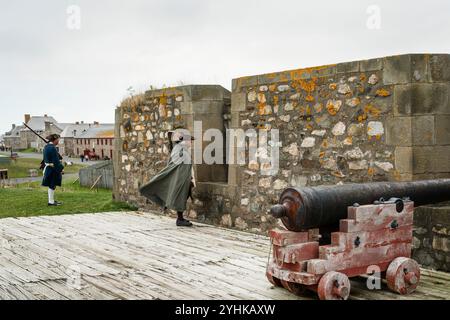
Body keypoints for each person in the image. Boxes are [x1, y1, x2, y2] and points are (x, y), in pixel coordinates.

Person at [139, 130, 196, 227]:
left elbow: (186, 165)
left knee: (183, 196)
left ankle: (180, 218)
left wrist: (190, 178)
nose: (191, 142)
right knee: (180, 196)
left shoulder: (182, 149)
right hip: (179, 179)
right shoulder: (179, 149)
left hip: (183, 178)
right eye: (190, 140)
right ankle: (180, 219)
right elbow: (175, 165)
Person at [42, 134, 64, 206]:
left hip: (49, 168)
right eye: (58, 139)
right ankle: (51, 202)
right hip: (52, 169)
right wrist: (61, 168)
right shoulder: (52, 148)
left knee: (52, 185)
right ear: (54, 140)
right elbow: (56, 161)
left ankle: (51, 200)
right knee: (52, 185)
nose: (58, 141)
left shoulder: (46, 147)